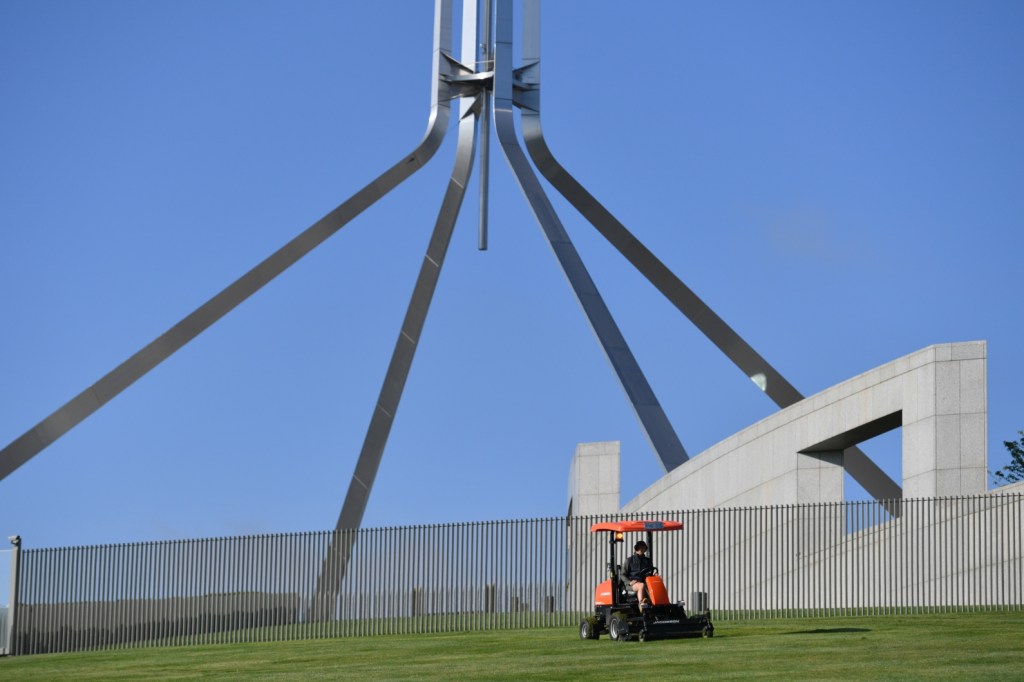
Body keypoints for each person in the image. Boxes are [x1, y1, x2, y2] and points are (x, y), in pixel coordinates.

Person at [624, 540, 653, 608]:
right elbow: (623, 574)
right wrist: (629, 582)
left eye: (644, 548)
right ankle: (641, 604)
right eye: (641, 547)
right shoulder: (629, 560)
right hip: (633, 584)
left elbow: (650, 572)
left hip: (645, 582)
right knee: (641, 585)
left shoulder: (647, 561)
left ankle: (661, 604)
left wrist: (655, 574)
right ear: (637, 548)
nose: (643, 549)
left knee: (656, 583)